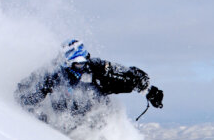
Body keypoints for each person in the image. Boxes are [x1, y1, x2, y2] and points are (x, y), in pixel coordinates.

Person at [15, 39, 163, 128]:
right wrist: (37, 116)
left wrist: (148, 90)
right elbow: (24, 93)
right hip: (65, 126)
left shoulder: (97, 69)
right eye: (77, 63)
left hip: (97, 122)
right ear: (66, 63)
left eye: (84, 60)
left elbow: (129, 75)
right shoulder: (53, 74)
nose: (82, 66)